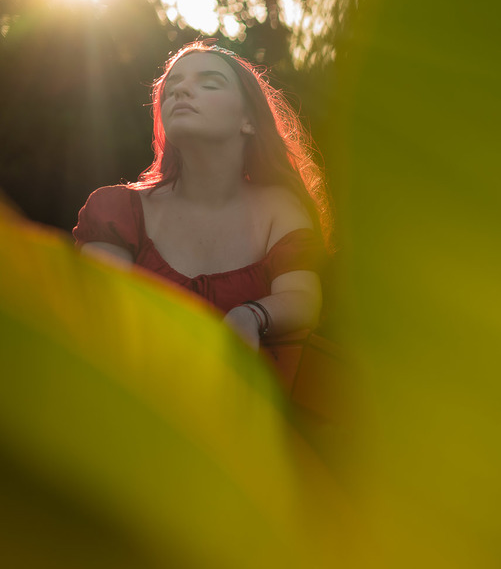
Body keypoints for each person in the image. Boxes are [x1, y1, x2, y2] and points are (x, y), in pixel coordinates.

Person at [71, 41, 331, 353]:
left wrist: (251, 315)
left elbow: (303, 298)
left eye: (209, 84)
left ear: (249, 121)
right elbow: (103, 318)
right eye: (171, 89)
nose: (180, 91)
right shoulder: (116, 210)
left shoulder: (280, 209)